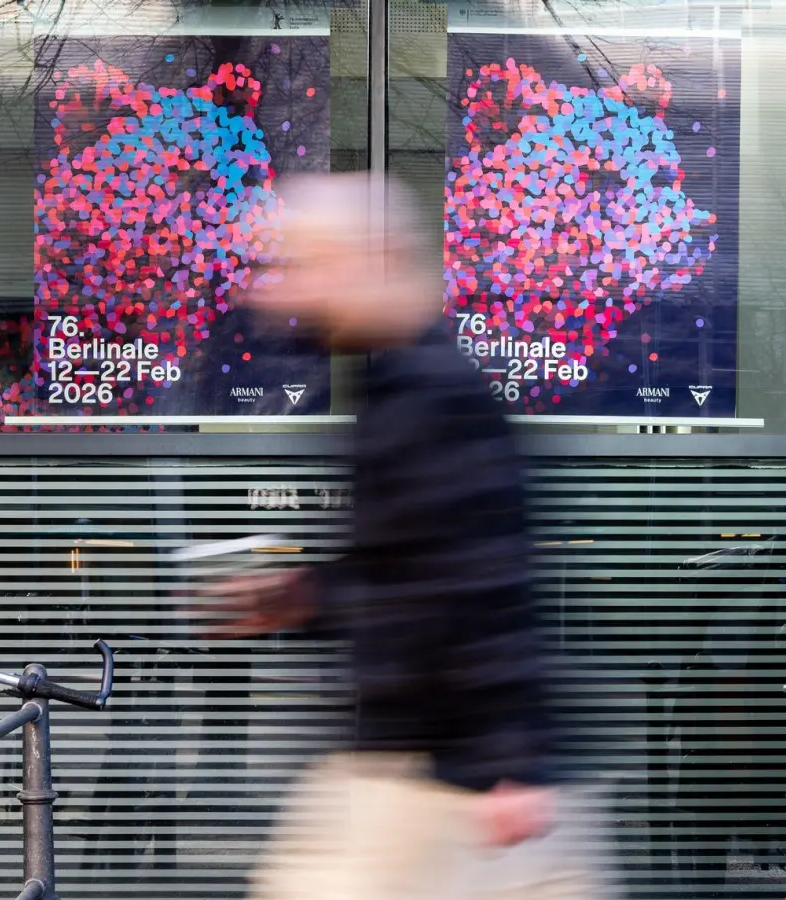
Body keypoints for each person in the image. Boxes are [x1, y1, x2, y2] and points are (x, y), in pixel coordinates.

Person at [199, 173, 599, 900]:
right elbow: (404, 572)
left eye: (307, 266)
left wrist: (507, 761)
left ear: (369, 262)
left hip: (438, 777)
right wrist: (305, 596)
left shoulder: (428, 394)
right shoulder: (395, 387)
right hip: (411, 763)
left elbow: (483, 580)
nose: (285, 292)